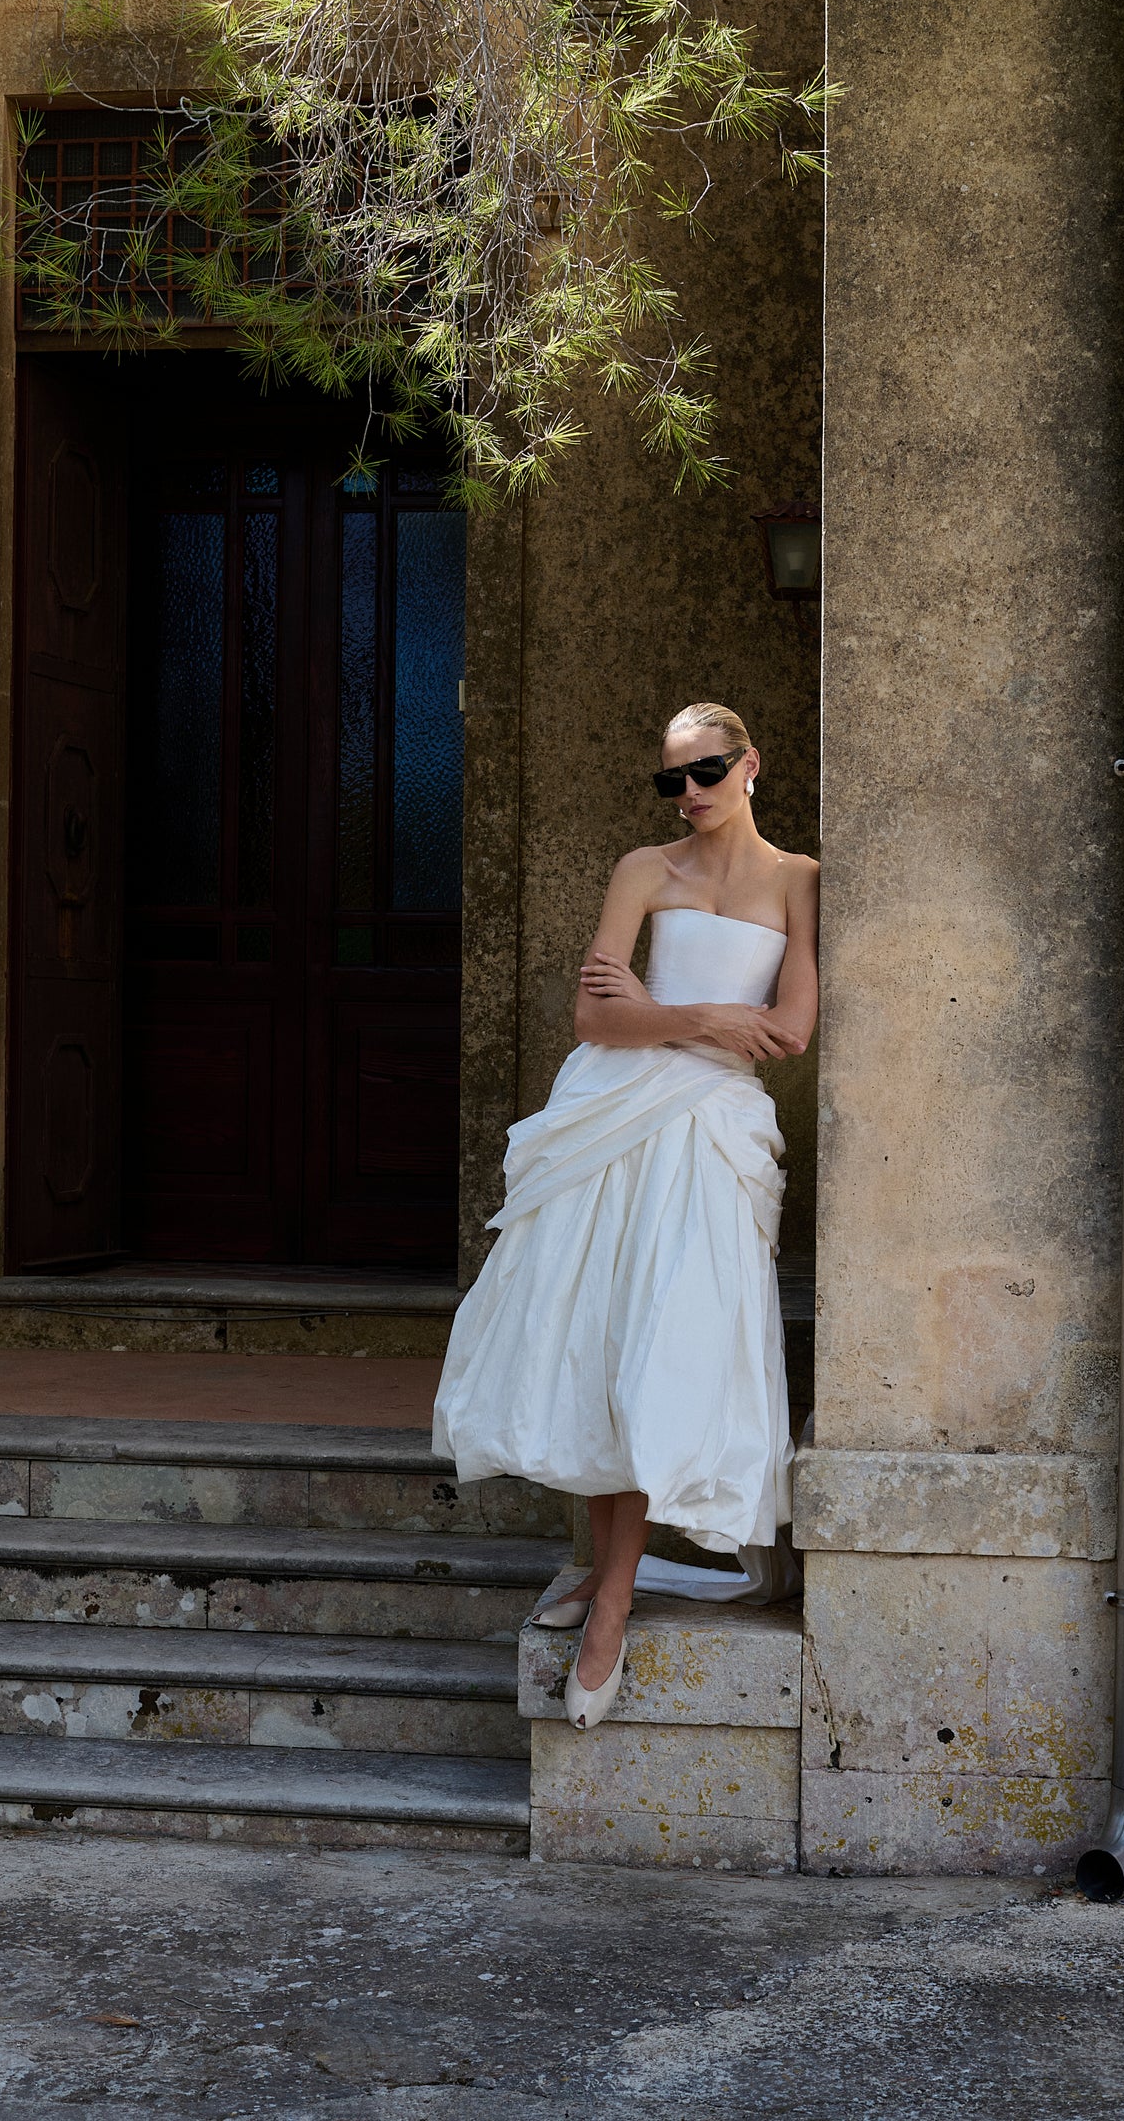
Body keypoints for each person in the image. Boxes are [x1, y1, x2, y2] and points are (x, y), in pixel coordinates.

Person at [432, 702, 819, 1730]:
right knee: (604, 1335)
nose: (689, 792)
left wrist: (663, 1011)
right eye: (673, 779)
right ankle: (602, 1577)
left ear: (750, 765)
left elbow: (786, 1027)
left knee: (666, 1344)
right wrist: (695, 1017)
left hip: (711, 1132)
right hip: (612, 1109)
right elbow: (595, 1016)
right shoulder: (640, 869)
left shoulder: (797, 879)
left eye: (707, 770)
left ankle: (609, 1590)